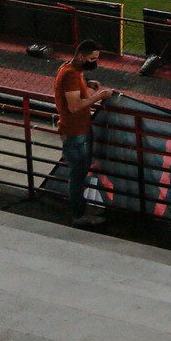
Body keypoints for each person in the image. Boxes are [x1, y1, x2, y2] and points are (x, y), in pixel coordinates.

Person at [53, 39, 117, 227]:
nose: (94, 62)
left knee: (79, 174)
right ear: (81, 56)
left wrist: (87, 83)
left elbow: (71, 87)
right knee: (78, 176)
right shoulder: (71, 75)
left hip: (75, 130)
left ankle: (80, 209)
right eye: (92, 58)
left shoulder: (69, 69)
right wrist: (99, 96)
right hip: (76, 132)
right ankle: (79, 216)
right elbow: (74, 106)